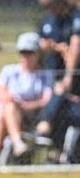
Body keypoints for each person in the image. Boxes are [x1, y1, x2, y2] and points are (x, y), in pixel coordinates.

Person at [0, 32, 54, 164]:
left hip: (31, 116)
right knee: (6, 112)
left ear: (38, 54)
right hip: (7, 112)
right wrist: (14, 102)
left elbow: (46, 100)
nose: (26, 57)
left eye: (30, 53)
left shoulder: (45, 75)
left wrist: (24, 106)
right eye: (23, 53)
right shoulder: (9, 71)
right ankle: (16, 144)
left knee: (5, 115)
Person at [34, 0, 80, 162]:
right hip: (50, 81)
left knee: (61, 94)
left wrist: (63, 52)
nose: (50, 10)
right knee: (58, 95)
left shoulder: (75, 19)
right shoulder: (48, 22)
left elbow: (74, 49)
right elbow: (37, 50)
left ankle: (45, 125)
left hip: (72, 89)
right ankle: (53, 149)